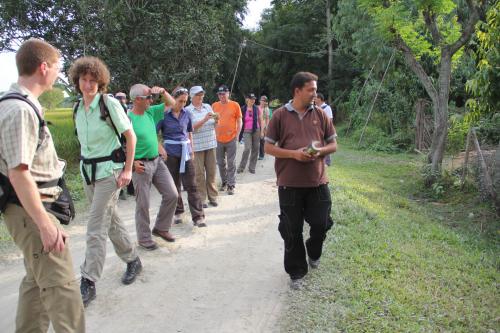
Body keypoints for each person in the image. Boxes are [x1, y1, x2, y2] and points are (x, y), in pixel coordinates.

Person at [0, 38, 85, 332]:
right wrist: (46, 225)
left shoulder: (17, 105)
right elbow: (19, 174)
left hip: (29, 207)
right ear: (43, 67)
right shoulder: (20, 110)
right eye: (57, 67)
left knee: (36, 282)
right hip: (31, 209)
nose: (58, 73)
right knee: (62, 288)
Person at [69, 56, 141, 307]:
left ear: (101, 83)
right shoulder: (77, 108)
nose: (88, 85)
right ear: (77, 81)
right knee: (109, 221)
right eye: (84, 80)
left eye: (93, 81)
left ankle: (89, 280)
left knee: (95, 226)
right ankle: (133, 259)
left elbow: (130, 137)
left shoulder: (108, 104)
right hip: (88, 173)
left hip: (110, 173)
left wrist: (128, 170)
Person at [264, 72, 337, 290]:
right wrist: (294, 154)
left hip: (318, 182)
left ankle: (313, 251)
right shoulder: (279, 115)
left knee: (322, 222)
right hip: (289, 184)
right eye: (311, 90)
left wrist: (319, 151)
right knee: (291, 229)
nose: (315, 94)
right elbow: (268, 147)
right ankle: (296, 272)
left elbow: (333, 145)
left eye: (315, 90)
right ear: (297, 91)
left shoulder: (321, 114)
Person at [128, 83, 178, 250]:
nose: (151, 99)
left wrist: (162, 91)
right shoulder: (128, 118)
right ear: (136, 100)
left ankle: (161, 228)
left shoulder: (150, 112)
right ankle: (144, 239)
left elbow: (172, 103)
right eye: (147, 97)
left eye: (151, 97)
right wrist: (132, 163)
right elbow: (119, 144)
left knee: (172, 194)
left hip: (157, 161)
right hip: (141, 164)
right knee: (143, 204)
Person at [158, 87, 206, 227]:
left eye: (185, 101)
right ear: (173, 99)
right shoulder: (163, 115)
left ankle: (198, 216)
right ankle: (178, 212)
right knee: (174, 185)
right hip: (170, 153)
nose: (182, 104)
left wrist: (192, 150)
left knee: (191, 185)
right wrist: (160, 148)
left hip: (186, 152)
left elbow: (189, 132)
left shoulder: (187, 114)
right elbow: (154, 134)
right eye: (180, 101)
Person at [185, 85, 218, 208]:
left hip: (211, 143)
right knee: (198, 174)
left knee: (211, 172)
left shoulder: (208, 106)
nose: (201, 97)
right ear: (192, 97)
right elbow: (191, 129)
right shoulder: (187, 110)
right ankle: (202, 199)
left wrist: (216, 120)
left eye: (202, 95)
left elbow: (214, 123)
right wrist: (204, 119)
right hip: (197, 146)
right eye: (198, 95)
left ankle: (213, 197)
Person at [212, 84, 242, 195]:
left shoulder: (235, 105)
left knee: (231, 162)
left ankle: (231, 184)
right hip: (218, 139)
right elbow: (212, 122)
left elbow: (239, 121)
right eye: (219, 94)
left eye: (223, 94)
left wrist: (238, 134)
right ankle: (224, 182)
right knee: (220, 162)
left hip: (231, 138)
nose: (221, 96)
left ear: (228, 94)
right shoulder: (214, 105)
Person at [237, 93, 264, 174]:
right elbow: (239, 121)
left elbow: (261, 120)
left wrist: (262, 131)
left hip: (256, 130)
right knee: (247, 148)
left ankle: (252, 167)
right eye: (251, 99)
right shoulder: (242, 109)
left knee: (256, 148)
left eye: (254, 99)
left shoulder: (257, 109)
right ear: (247, 99)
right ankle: (241, 167)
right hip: (246, 130)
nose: (253, 100)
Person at [115, 91, 135, 199]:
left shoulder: (129, 113)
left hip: (126, 143)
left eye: (123, 98)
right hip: (116, 145)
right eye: (118, 98)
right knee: (118, 168)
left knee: (128, 166)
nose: (121, 100)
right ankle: (120, 191)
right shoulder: (110, 111)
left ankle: (130, 189)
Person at [316, 93, 334, 166]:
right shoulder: (316, 107)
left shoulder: (327, 108)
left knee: (327, 145)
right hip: (317, 129)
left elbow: (330, 119)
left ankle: (327, 162)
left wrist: (327, 129)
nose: (314, 99)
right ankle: (320, 161)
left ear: (320, 99)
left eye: (315, 98)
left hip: (325, 129)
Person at [258, 95, 271, 160]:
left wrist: (267, 127)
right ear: (260, 100)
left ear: (266, 102)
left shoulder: (266, 109)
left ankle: (261, 155)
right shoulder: (257, 108)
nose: (262, 101)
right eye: (262, 100)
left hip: (263, 126)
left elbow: (267, 119)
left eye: (264, 100)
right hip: (257, 126)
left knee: (262, 140)